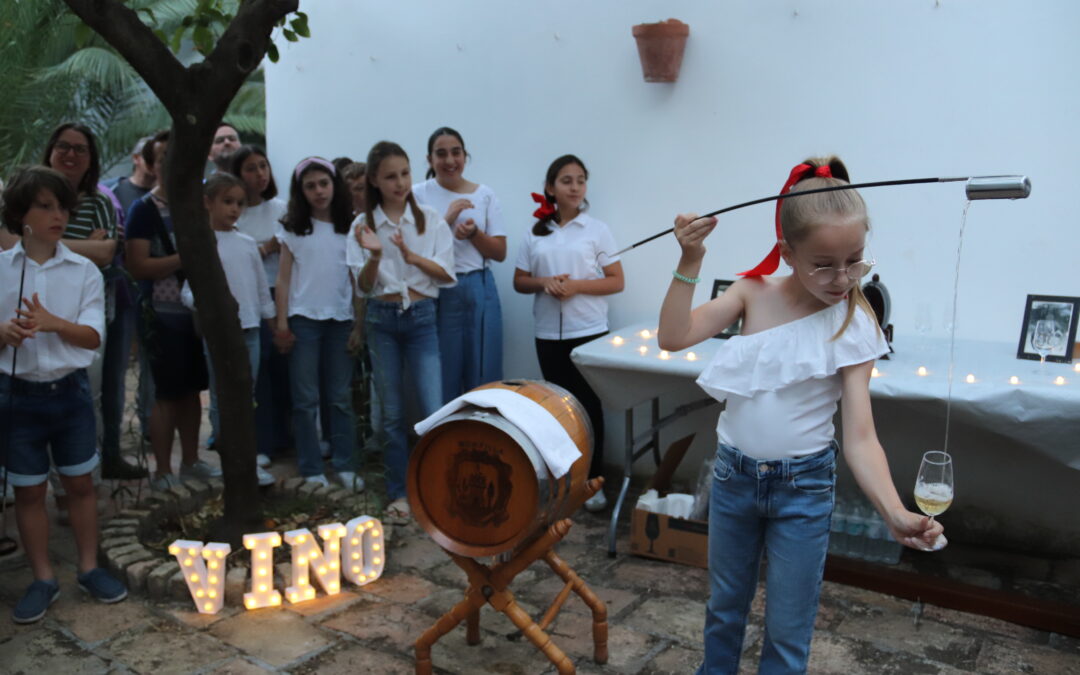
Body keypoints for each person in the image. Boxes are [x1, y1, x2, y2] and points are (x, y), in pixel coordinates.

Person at [657, 157, 945, 674]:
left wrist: (894, 511)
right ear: (787, 253)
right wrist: (691, 259)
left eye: (854, 260)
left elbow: (859, 437)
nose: (841, 278)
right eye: (823, 263)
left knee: (789, 632)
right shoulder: (751, 293)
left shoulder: (854, 320)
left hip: (805, 490)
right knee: (724, 612)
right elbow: (673, 337)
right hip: (733, 479)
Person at [0, 167, 128, 624]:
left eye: (62, 207)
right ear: (21, 215)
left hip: (70, 395)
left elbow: (94, 336)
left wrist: (54, 324)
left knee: (80, 484)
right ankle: (43, 578)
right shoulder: (1, 268)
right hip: (16, 396)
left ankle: (89, 568)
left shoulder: (83, 271)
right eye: (45, 206)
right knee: (29, 491)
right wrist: (3, 333)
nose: (58, 215)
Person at [347, 141, 455, 524]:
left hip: (422, 316)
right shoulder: (362, 226)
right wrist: (376, 256)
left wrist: (411, 257)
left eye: (405, 173)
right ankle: (398, 493)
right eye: (391, 176)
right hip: (381, 319)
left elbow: (447, 275)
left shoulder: (430, 219)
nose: (400, 183)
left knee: (433, 409)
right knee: (392, 414)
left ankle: (437, 491)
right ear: (374, 180)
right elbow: (362, 286)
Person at [513, 154, 623, 512]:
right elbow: (519, 281)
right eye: (566, 180)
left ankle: (593, 482)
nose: (575, 187)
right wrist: (545, 283)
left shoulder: (597, 230)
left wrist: (575, 286)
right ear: (550, 188)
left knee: (589, 407)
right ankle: (563, 480)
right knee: (556, 410)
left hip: (588, 331)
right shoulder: (534, 232)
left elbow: (616, 281)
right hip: (548, 333)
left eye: (580, 180)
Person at [125, 130, 217, 490]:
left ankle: (192, 462)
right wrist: (186, 257)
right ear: (151, 165)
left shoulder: (200, 203)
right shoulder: (143, 209)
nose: (171, 164)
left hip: (196, 316)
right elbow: (137, 265)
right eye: (163, 158)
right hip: (162, 315)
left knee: (193, 391)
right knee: (166, 395)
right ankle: (163, 470)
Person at [180, 173, 276, 487]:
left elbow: (262, 290)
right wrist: (209, 306)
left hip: (250, 331)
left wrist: (272, 323)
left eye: (238, 203)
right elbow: (188, 291)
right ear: (207, 203)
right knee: (222, 398)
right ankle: (228, 459)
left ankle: (248, 459)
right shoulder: (201, 243)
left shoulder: (248, 244)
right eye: (227, 202)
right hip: (219, 336)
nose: (234, 209)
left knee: (248, 396)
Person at [274, 157, 361, 491]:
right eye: (310, 186)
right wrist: (282, 323)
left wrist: (358, 326)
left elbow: (356, 280)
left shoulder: (350, 227)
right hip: (304, 321)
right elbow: (282, 280)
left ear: (334, 185)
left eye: (323, 183)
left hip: (341, 321)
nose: (319, 191)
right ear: (301, 192)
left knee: (340, 397)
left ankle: (345, 463)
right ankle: (311, 467)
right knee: (305, 399)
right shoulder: (293, 228)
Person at [413, 127, 506, 402]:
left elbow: (500, 252)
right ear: (429, 160)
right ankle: (446, 438)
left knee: (484, 367)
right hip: (437, 289)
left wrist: (474, 234)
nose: (450, 160)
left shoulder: (485, 195)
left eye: (456, 152)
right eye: (441, 154)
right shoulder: (418, 195)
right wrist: (447, 220)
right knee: (443, 370)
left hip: (479, 285)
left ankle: (484, 434)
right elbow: (413, 251)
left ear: (465, 156)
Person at [231, 145, 290, 469]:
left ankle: (285, 438)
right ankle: (262, 441)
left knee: (284, 370)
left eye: (263, 166)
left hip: (281, 293)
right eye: (251, 168)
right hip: (249, 297)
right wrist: (265, 247)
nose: (260, 174)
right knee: (260, 373)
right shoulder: (235, 212)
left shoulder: (281, 207)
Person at [106, 136, 156, 215]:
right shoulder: (110, 189)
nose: (155, 162)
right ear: (136, 158)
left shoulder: (168, 194)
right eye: (150, 156)